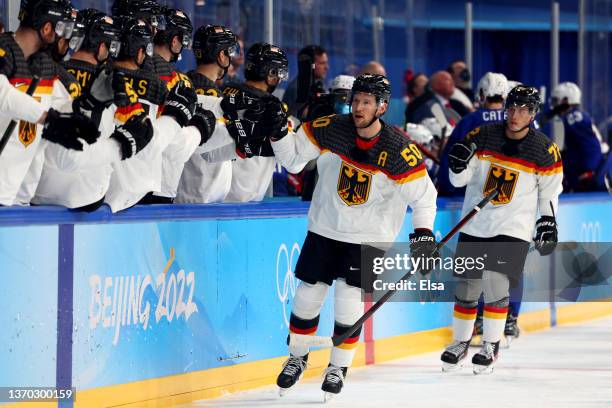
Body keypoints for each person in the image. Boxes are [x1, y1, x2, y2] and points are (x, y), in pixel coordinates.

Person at [270, 74, 438, 398]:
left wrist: (423, 236)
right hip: (325, 228)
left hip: (368, 238)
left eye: (366, 102)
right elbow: (292, 161)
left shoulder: (399, 149)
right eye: (356, 100)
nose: (358, 107)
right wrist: (279, 132)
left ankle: (337, 367)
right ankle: (296, 358)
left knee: (348, 303)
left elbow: (424, 198)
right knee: (308, 294)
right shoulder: (331, 127)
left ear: (382, 107)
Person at [440, 85, 563, 374]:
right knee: (468, 287)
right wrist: (457, 166)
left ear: (533, 113)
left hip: (513, 227)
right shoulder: (483, 136)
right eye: (512, 107)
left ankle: (490, 345)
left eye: (523, 109)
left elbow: (550, 193)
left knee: (495, 282)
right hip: (475, 223)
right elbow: (459, 182)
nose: (515, 114)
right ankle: (461, 342)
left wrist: (547, 221)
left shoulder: (544, 149)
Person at [31, 9, 154, 211]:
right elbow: (141, 135)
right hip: (86, 198)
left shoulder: (48, 73)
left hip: (37, 193)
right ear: (102, 46)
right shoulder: (114, 82)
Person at [0, 0, 101, 206]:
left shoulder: (46, 66)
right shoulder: (3, 49)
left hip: (20, 199)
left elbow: (63, 108)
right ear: (47, 28)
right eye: (61, 29)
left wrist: (92, 104)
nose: (62, 37)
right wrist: (49, 119)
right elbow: (4, 95)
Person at [175, 24, 239, 204]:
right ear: (221, 55)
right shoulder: (218, 98)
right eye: (229, 52)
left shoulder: (181, 86)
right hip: (201, 195)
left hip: (186, 192)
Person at [222, 42, 289, 202]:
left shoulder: (224, 93)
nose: (279, 79)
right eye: (279, 73)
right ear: (271, 74)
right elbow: (291, 160)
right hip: (247, 198)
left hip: (215, 194)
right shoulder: (273, 106)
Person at [438, 72, 509, 196]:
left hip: (470, 194)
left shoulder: (468, 121)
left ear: (482, 94)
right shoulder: (517, 121)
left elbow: (451, 157)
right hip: (508, 191)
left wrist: (446, 188)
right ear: (505, 94)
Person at [545, 82, 610, 192]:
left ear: (565, 101)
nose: (554, 105)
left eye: (556, 101)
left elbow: (590, 146)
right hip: (597, 165)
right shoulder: (573, 116)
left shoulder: (573, 117)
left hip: (598, 169)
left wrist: (589, 170)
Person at [282, 44, 328, 117]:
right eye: (322, 63)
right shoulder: (297, 89)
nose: (327, 67)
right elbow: (294, 121)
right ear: (310, 65)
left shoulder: (318, 87)